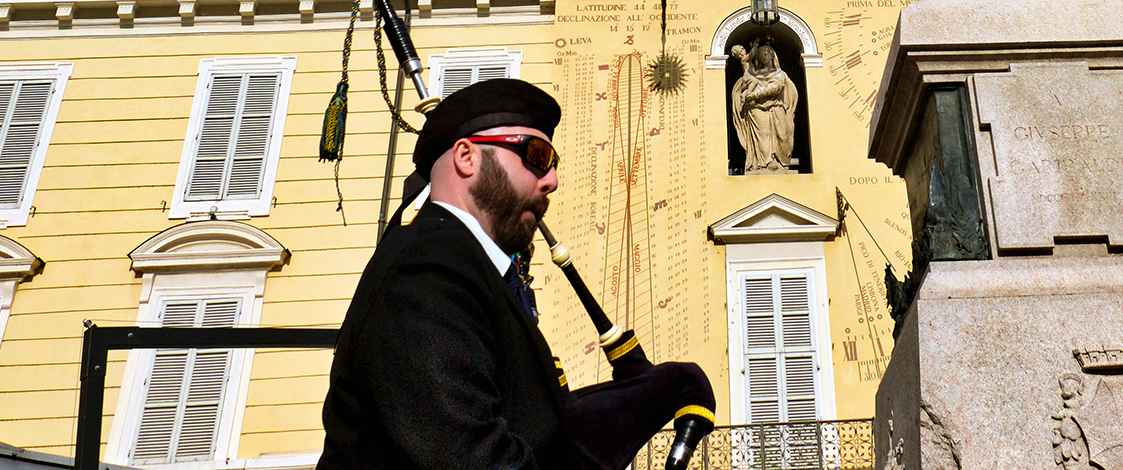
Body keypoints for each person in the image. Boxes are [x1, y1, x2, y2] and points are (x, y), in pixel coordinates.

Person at [320, 78, 713, 470]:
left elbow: (544, 436)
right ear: (466, 157)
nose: (552, 180)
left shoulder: (467, 269)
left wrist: (651, 394)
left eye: (553, 163)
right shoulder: (428, 270)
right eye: (537, 155)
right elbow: (471, 459)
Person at [728, 42, 797, 172]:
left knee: (782, 136)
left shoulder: (780, 74)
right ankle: (766, 162)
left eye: (767, 52)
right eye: (761, 53)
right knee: (763, 135)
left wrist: (754, 94)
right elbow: (744, 86)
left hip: (776, 107)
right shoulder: (753, 74)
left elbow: (776, 87)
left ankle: (781, 162)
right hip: (756, 109)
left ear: (772, 55)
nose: (764, 55)